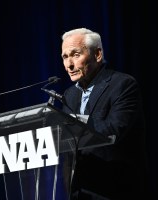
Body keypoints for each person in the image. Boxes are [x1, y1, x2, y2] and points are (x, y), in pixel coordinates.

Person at [60, 28, 149, 200]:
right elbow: (67, 145)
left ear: (98, 54)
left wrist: (76, 125)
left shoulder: (122, 85)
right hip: (80, 191)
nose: (69, 64)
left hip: (115, 189)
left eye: (76, 55)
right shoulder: (69, 96)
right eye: (65, 57)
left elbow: (115, 128)